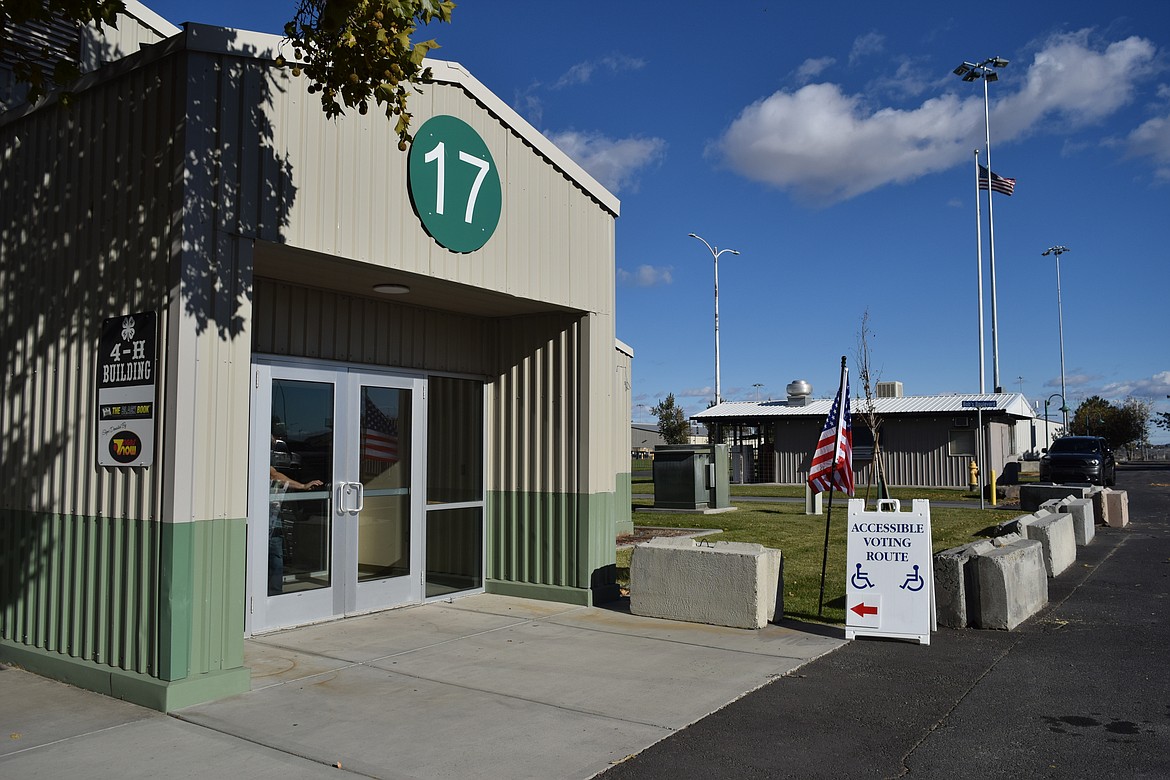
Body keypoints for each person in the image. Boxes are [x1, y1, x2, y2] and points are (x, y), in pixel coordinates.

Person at [269, 463, 324, 596]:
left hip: (271, 517)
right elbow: (274, 476)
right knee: (272, 556)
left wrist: (302, 486)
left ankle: (274, 595)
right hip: (258, 518)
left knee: (274, 556)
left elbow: (274, 475)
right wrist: (302, 486)